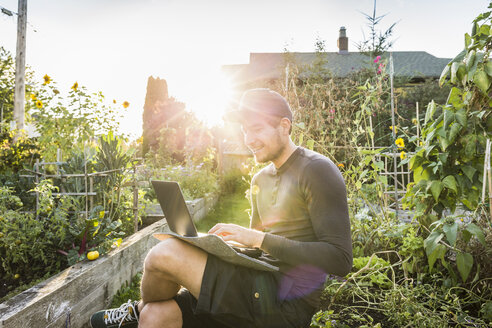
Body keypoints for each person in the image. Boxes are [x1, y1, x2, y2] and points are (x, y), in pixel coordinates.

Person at [90, 88, 352, 328]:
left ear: (284, 126)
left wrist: (257, 238)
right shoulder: (261, 178)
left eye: (257, 129)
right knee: (156, 316)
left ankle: (136, 308)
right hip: (256, 283)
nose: (249, 139)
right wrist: (217, 247)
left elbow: (340, 259)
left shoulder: (317, 170)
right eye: (245, 130)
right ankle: (142, 311)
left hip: (286, 302)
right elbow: (257, 252)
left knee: (163, 254)